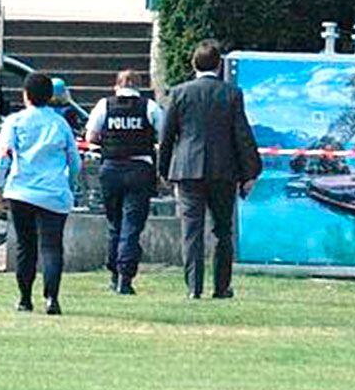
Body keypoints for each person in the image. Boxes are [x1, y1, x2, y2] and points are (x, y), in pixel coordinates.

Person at [156, 40, 261, 300]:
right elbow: (242, 135)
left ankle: (194, 287)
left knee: (191, 230)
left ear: (194, 64)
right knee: (223, 230)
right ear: (219, 65)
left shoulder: (179, 93)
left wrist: (164, 170)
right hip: (223, 170)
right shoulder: (231, 94)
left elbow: (167, 136)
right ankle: (222, 287)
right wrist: (250, 172)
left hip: (187, 169)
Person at [0, 72, 82, 314]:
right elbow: (74, 161)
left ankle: (24, 298)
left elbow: (3, 155)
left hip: (21, 192)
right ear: (50, 96)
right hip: (54, 193)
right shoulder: (60, 124)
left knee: (25, 246)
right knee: (52, 247)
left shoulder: (15, 121)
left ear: (26, 95)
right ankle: (52, 298)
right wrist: (69, 184)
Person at [85, 69, 164, 295]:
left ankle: (113, 274)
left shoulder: (104, 105)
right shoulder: (149, 107)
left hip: (111, 168)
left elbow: (91, 136)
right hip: (140, 169)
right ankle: (125, 277)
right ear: (139, 86)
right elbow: (164, 135)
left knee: (114, 223)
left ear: (116, 86)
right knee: (132, 225)